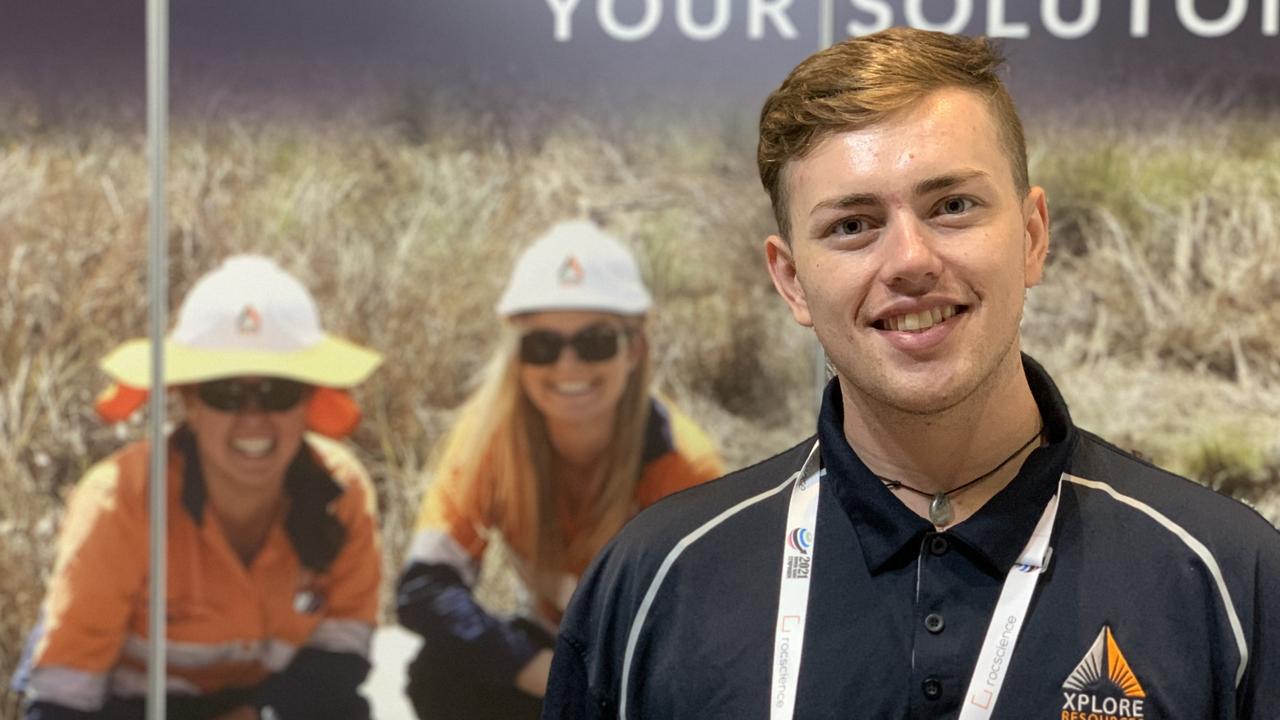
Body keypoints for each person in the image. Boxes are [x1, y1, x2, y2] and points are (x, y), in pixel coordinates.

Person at [542, 28, 1280, 719]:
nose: (910, 262)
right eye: (853, 226)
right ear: (792, 279)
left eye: (952, 205)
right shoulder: (654, 584)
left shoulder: (1230, 578)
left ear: (1031, 236)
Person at [14, 255, 384, 720]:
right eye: (225, 393)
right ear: (188, 400)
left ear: (311, 399)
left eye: (278, 392)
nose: (253, 419)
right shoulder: (119, 503)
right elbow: (65, 697)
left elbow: (341, 654)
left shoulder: (343, 493)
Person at [396, 219, 724, 719]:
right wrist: (545, 674)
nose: (567, 367)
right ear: (519, 357)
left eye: (595, 342)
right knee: (437, 673)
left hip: (632, 681)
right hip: (552, 660)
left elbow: (697, 632)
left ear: (634, 349)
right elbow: (424, 589)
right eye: (543, 346)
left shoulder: (682, 464)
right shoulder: (488, 440)